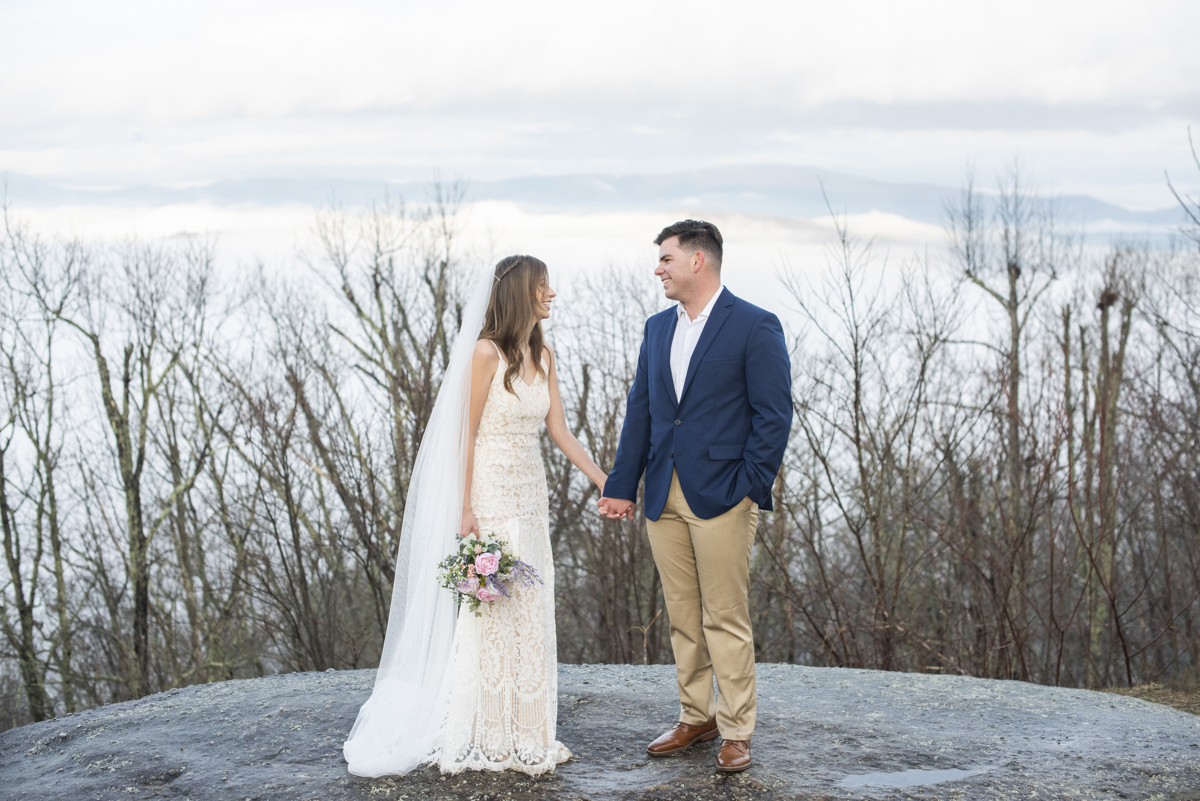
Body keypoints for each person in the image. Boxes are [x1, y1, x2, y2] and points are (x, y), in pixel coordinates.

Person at [344, 255, 607, 777]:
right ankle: (486, 730)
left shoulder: (546, 355)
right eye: (542, 286)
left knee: (531, 609)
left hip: (532, 498)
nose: (552, 293)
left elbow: (559, 430)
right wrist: (465, 506)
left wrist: (606, 480)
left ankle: (527, 730)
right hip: (490, 494)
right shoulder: (485, 353)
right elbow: (463, 434)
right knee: (494, 610)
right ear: (520, 293)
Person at [598, 220, 792, 773]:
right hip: (662, 493)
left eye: (665, 259)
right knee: (682, 613)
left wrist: (749, 486)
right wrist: (621, 486)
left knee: (725, 616)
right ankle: (695, 716)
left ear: (698, 261)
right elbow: (642, 410)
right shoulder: (657, 328)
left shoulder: (755, 326)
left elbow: (774, 416)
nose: (658, 268)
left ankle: (736, 730)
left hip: (724, 496)